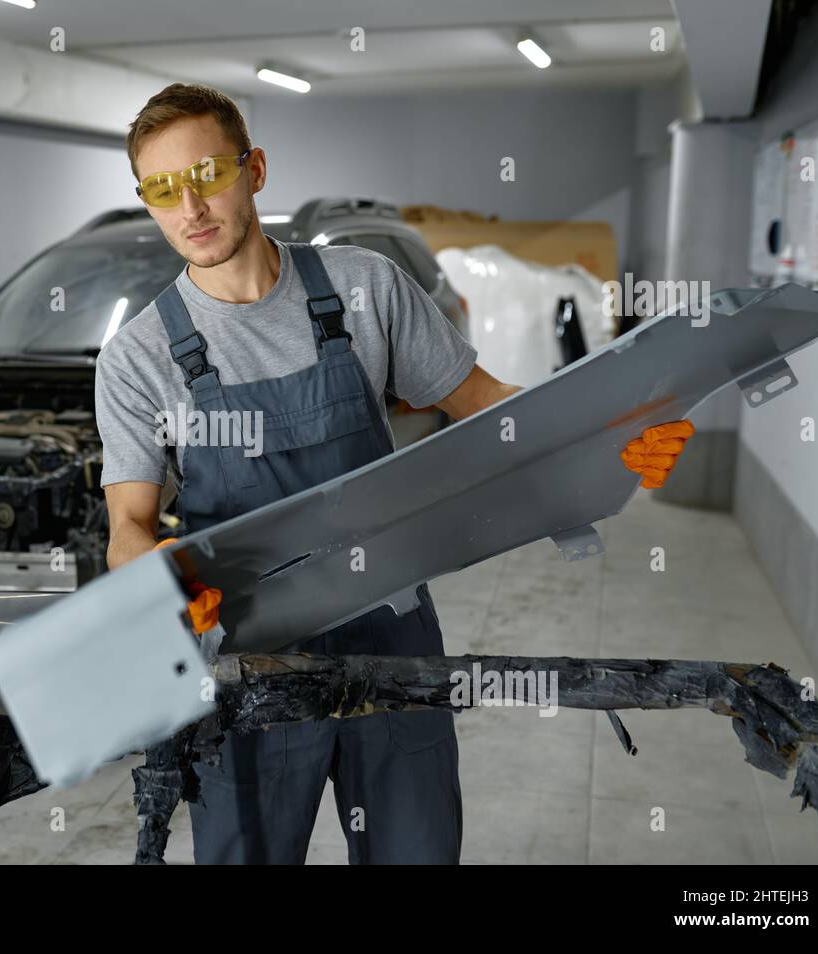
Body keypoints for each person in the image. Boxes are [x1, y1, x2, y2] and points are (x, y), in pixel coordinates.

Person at [95, 82, 691, 864]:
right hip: (246, 656)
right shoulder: (137, 358)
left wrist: (611, 435)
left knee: (415, 849)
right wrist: (159, 586)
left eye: (208, 174)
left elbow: (489, 408)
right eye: (164, 190)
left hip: (392, 630)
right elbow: (128, 530)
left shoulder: (363, 288)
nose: (192, 208)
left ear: (255, 169)